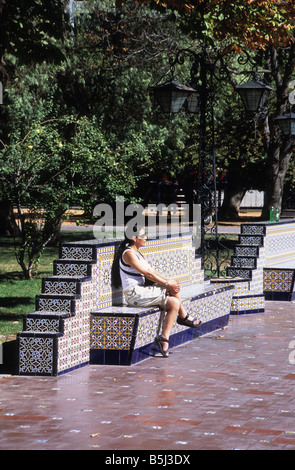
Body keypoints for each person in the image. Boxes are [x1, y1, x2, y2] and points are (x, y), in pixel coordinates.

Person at [112, 226, 201, 358]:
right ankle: (184, 317)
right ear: (134, 238)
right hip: (135, 295)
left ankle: (164, 338)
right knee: (170, 288)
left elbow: (152, 271)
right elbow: (147, 274)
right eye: (143, 236)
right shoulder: (128, 254)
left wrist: (169, 280)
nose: (146, 238)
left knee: (174, 303)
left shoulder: (137, 253)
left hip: (142, 292)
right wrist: (167, 284)